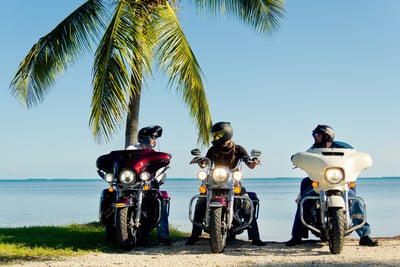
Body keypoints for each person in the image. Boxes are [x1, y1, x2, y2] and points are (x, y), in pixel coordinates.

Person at [286, 124, 378, 247]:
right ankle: (297, 235)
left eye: (317, 135)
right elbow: (303, 157)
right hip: (320, 184)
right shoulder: (313, 150)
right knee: (304, 201)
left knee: (356, 202)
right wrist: (297, 158)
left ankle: (365, 235)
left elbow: (355, 156)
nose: (315, 137)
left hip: (340, 183)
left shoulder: (343, 148)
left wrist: (363, 160)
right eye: (315, 135)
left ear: (326, 136)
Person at [186, 121, 266, 246]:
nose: (216, 137)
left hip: (233, 183)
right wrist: (200, 161)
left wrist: (254, 161)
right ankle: (195, 235)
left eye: (219, 134)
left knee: (246, 203)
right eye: (215, 135)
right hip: (215, 183)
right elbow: (205, 163)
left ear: (227, 133)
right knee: (201, 202)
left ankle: (256, 238)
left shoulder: (238, 149)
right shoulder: (213, 149)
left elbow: (249, 165)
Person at [127, 125, 171, 245]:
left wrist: (158, 177)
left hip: (147, 184)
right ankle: (110, 232)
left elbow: (158, 169)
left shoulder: (154, 154)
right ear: (144, 138)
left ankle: (163, 236)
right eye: (152, 137)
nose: (154, 140)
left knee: (160, 200)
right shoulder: (131, 149)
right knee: (110, 196)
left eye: (155, 138)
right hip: (131, 183)